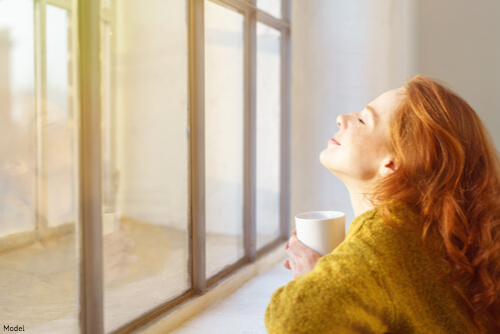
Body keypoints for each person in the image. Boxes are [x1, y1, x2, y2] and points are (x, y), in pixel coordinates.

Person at [265, 75, 500, 333]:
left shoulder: (386, 238)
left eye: (363, 120)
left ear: (392, 162)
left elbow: (295, 320)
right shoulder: (434, 232)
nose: (342, 118)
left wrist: (311, 282)